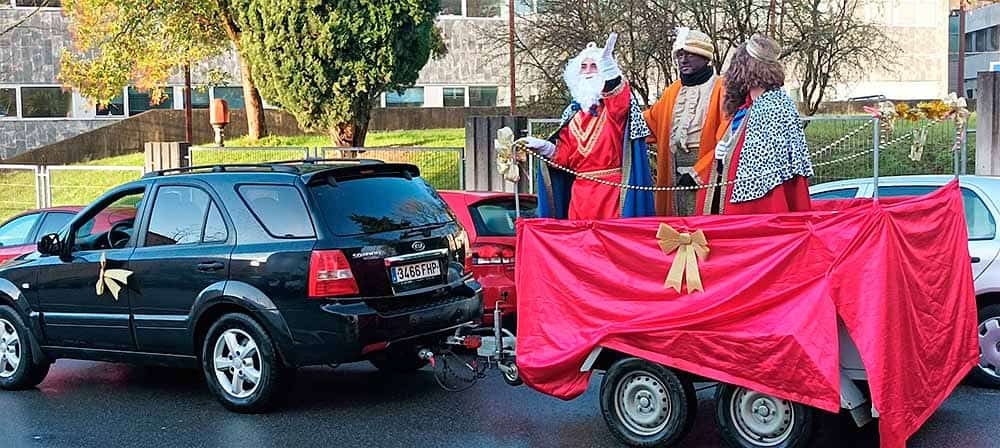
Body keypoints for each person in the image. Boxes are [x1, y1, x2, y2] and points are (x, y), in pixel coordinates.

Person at [518, 33, 655, 220]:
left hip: (611, 194)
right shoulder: (572, 113)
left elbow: (620, 100)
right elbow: (566, 155)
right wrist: (545, 147)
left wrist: (609, 69)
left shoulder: (612, 110)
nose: (589, 71)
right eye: (584, 67)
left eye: (594, 66)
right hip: (580, 195)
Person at [700, 34, 813, 215]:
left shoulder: (772, 107)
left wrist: (728, 156)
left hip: (759, 209)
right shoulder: (749, 106)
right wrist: (722, 158)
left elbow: (762, 177)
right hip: (741, 201)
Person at [643, 28, 728, 216]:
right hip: (673, 169)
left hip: (709, 170)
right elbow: (649, 124)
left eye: (690, 54)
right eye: (680, 55)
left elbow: (728, 137)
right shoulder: (672, 91)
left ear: (706, 57)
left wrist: (700, 172)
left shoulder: (723, 88)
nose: (683, 59)